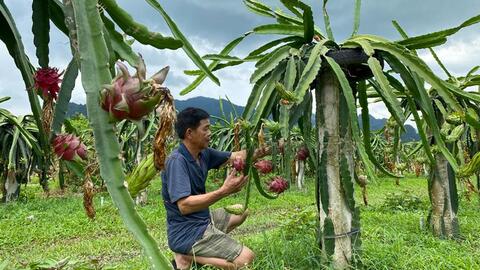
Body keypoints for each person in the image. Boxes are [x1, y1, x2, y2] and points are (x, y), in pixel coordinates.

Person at [162, 107, 267, 270]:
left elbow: (236, 156)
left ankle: (203, 249)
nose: (210, 132)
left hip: (203, 219)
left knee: (241, 210)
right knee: (247, 259)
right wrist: (223, 191)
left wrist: (263, 151)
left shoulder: (203, 153)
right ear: (190, 133)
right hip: (186, 231)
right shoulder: (177, 161)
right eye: (206, 128)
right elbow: (184, 206)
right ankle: (186, 254)